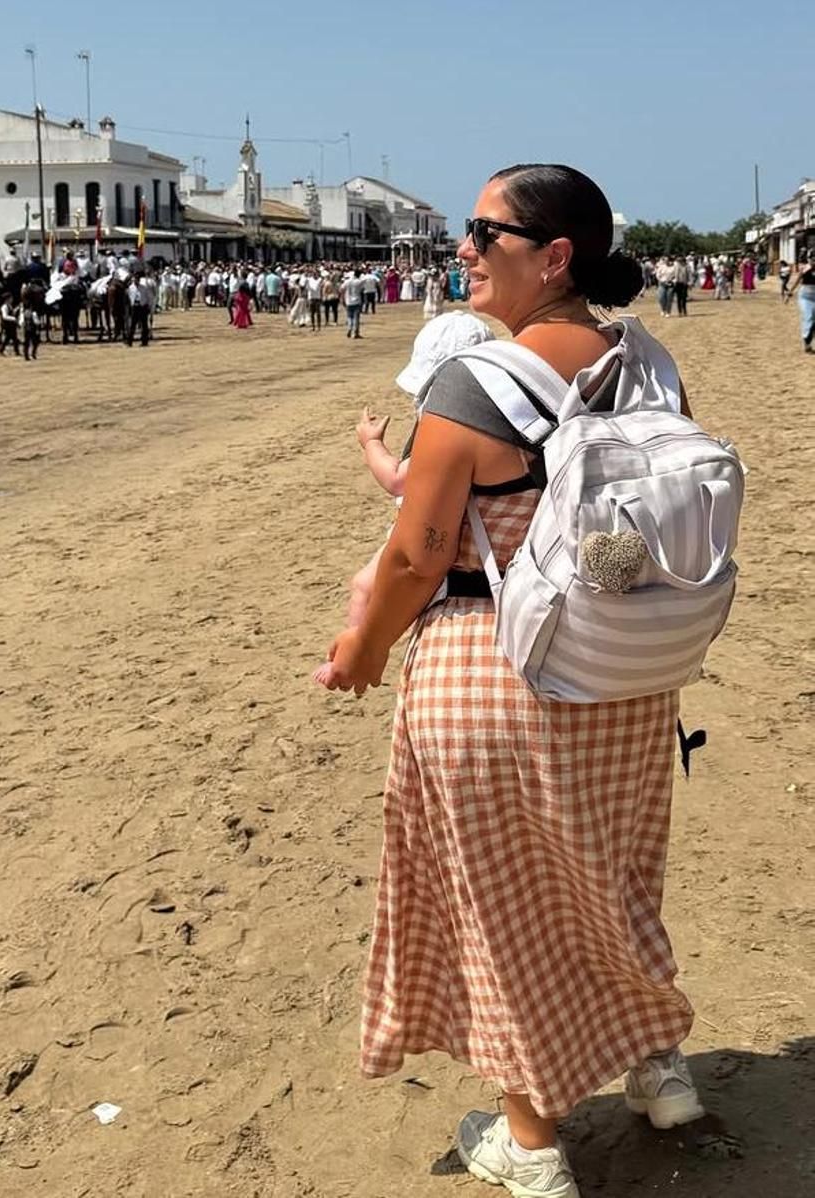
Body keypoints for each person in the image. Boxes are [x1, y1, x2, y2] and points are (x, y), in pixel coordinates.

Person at [319, 164, 704, 1198]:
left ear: (554, 255)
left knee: (509, 909)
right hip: (625, 673)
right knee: (613, 874)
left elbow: (415, 554)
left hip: (498, 670)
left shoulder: (476, 384)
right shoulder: (648, 364)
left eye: (482, 232)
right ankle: (654, 1061)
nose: (462, 247)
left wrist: (358, 655)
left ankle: (529, 1139)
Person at [312, 311, 495, 674]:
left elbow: (397, 479)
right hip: (453, 523)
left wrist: (370, 444)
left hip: (428, 523)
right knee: (370, 586)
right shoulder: (490, 412)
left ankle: (360, 652)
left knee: (365, 586)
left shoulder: (449, 421)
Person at [786, 255, 815, 352]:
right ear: (809, 259)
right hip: (805, 297)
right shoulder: (804, 268)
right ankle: (806, 341)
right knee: (808, 317)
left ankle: (808, 341)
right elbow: (797, 281)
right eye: (812, 259)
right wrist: (790, 293)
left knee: (813, 321)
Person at [341, 268, 365, 338]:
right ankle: (355, 332)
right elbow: (362, 289)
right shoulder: (359, 282)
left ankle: (349, 328)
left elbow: (342, 289)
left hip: (348, 301)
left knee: (349, 317)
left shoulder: (347, 281)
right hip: (357, 301)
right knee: (356, 318)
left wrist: (343, 299)